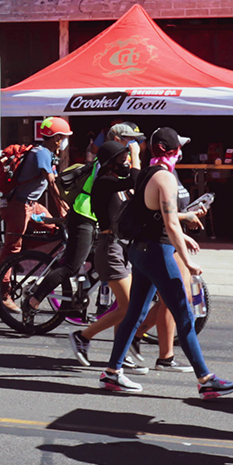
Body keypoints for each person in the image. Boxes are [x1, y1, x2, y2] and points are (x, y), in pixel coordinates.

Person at [96, 127, 233, 399]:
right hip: (155, 253)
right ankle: (206, 379)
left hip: (141, 250)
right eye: (179, 147)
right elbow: (170, 222)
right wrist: (187, 261)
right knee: (184, 314)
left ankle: (112, 373)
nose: (182, 151)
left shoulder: (150, 174)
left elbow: (158, 220)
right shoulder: (165, 178)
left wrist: (181, 235)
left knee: (136, 312)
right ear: (168, 150)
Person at [67, 133, 167, 367]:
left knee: (127, 304)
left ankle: (119, 352)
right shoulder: (104, 181)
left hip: (121, 248)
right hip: (109, 248)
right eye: (122, 159)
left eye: (127, 158)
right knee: (130, 305)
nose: (126, 163)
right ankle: (82, 337)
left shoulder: (115, 183)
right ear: (111, 161)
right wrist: (135, 156)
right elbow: (137, 178)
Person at [0, 117, 71, 283]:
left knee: (55, 229)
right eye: (65, 137)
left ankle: (22, 251)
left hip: (32, 205)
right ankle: (3, 292)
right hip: (19, 205)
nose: (65, 141)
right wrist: (63, 209)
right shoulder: (41, 153)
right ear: (57, 138)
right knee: (11, 248)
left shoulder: (47, 153)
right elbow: (52, 184)